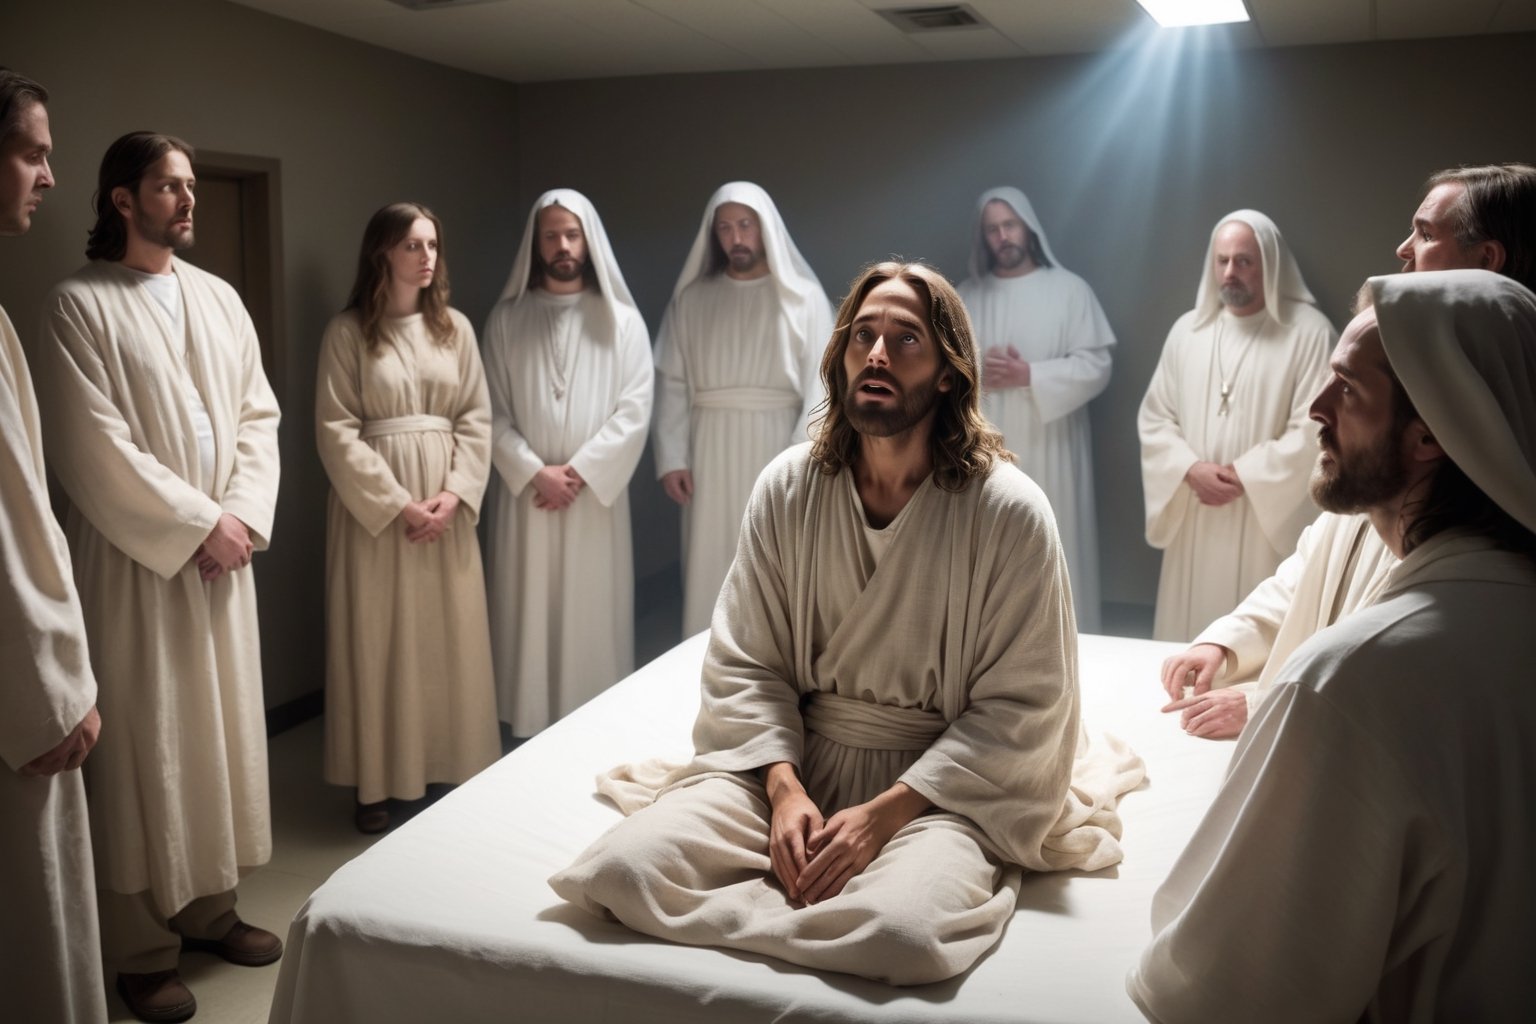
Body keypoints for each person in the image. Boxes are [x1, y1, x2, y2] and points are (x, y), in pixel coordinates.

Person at [550, 261, 1143, 986]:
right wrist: (784, 791)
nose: (878, 355)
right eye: (863, 336)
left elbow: (1025, 708)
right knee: (619, 870)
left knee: (902, 934)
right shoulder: (788, 488)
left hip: (938, 794)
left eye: (905, 339)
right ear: (841, 356)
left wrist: (883, 817)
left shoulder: (1008, 512)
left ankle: (834, 892)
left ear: (950, 373)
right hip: (792, 761)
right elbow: (746, 663)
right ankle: (802, 889)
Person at [1129, 270, 1536, 1020]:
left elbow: (1223, 992)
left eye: (1346, 391)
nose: (1316, 411)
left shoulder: (1350, 681)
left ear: (1429, 436)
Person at [32, 131, 283, 1023]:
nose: (186, 200)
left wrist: (243, 519)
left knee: (215, 741)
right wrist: (198, 523)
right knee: (149, 747)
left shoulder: (220, 299)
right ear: (120, 200)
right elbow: (93, 447)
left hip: (223, 564)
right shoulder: (77, 305)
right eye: (166, 187)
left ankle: (211, 909)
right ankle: (141, 946)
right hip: (142, 568)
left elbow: (260, 416)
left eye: (189, 186)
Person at [1159, 163, 1536, 739]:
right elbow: (1324, 560)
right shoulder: (1192, 331)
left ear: (1488, 261)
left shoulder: (1479, 439)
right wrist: (1230, 640)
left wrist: (1266, 703)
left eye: (1426, 234)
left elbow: (1407, 672)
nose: (1403, 248)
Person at [315, 202, 499, 834]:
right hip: (377, 516)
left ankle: (451, 765)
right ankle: (377, 782)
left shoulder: (456, 330)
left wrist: (453, 494)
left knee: (448, 637)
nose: (427, 257)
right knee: (380, 639)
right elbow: (335, 429)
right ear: (382, 253)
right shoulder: (347, 333)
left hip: (445, 513)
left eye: (432, 245)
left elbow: (476, 417)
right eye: (413, 246)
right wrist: (396, 504)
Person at [0, 67, 108, 1024]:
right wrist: (51, 692)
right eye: (32, 152)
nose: (47, 174)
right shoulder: (67, 305)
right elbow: (9, 532)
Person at [483, 189, 652, 736]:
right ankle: (528, 720)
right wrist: (536, 472)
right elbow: (488, 408)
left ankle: (592, 719)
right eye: (551, 235)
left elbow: (635, 408)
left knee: (589, 609)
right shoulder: (507, 320)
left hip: (589, 500)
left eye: (571, 234)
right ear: (536, 243)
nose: (562, 245)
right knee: (526, 608)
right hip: (529, 496)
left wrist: (575, 474)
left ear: (588, 241)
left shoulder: (623, 321)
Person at [1138, 210, 1334, 642]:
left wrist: (1244, 475)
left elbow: (1316, 429)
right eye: (1222, 260)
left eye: (1244, 261)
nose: (1231, 272)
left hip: (1262, 518)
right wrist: (1189, 469)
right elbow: (1156, 417)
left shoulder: (1309, 333)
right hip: (1195, 510)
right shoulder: (1187, 332)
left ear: (1271, 264)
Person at [653, 181, 833, 636]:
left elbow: (823, 381)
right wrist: (672, 456)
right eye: (726, 228)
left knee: (775, 563)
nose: (736, 238)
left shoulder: (803, 298)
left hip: (778, 445)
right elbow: (672, 381)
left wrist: (801, 455)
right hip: (708, 445)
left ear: (765, 228)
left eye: (745, 226)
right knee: (710, 558)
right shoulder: (692, 301)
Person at [958, 187, 1115, 631]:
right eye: (992, 229)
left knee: (1054, 534)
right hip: (986, 445)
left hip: (1051, 443)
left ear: (1028, 228)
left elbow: (1096, 365)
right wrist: (979, 373)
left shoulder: (1069, 291)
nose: (1002, 236)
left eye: (1009, 225)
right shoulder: (965, 295)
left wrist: (1030, 375)